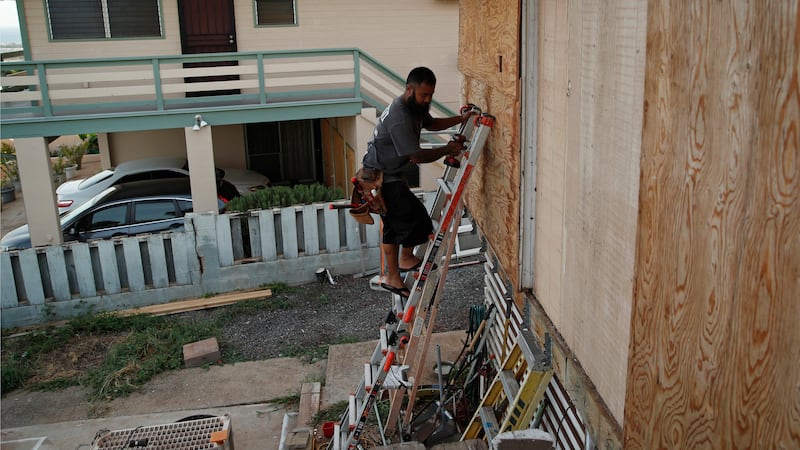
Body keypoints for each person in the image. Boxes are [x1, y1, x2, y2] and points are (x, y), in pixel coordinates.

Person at [362, 66, 474, 298]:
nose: (427, 99)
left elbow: (430, 123)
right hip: (381, 178)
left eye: (430, 95)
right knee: (419, 220)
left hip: (386, 174)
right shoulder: (400, 117)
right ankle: (405, 259)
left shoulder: (414, 107)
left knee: (393, 227)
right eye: (423, 95)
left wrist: (460, 119)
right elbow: (417, 157)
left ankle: (393, 277)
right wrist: (447, 149)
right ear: (409, 89)